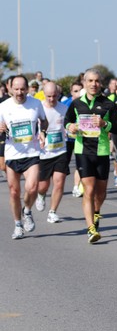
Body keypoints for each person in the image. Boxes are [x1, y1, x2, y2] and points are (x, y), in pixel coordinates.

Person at [64, 68, 117, 243]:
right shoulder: (76, 104)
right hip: (83, 152)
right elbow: (67, 121)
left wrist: (105, 123)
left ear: (101, 83)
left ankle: (96, 212)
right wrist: (70, 127)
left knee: (101, 192)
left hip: (102, 151)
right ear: (84, 82)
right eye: (90, 81)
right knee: (88, 190)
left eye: (96, 81)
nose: (93, 84)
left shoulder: (108, 104)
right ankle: (91, 229)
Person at [0, 75, 48, 239]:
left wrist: (42, 132)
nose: (19, 92)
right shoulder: (3, 106)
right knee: (14, 192)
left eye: (22, 89)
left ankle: (27, 211)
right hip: (12, 153)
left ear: (27, 89)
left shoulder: (35, 103)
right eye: (16, 89)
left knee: (32, 187)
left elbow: (44, 121)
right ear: (10, 89)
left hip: (32, 153)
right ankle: (18, 225)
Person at [35, 81, 69, 223]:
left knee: (59, 182)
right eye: (48, 96)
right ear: (44, 94)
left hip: (60, 151)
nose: (51, 99)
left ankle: (52, 212)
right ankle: (41, 195)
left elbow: (68, 126)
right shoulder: (38, 108)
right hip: (43, 153)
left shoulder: (64, 108)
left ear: (58, 94)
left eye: (54, 96)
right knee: (43, 186)